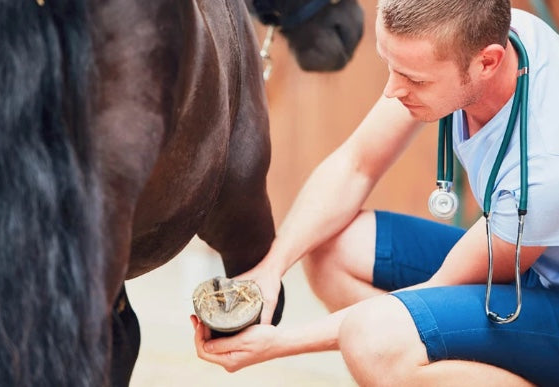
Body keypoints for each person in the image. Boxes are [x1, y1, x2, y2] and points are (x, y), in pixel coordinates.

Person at [191, 0, 559, 385]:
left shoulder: (543, 169)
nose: (392, 90)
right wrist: (270, 269)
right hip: (529, 270)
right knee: (334, 249)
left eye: (415, 80)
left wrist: (277, 343)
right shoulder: (499, 27)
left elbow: (435, 292)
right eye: (389, 65)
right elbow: (356, 164)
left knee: (376, 341)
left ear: (487, 62)